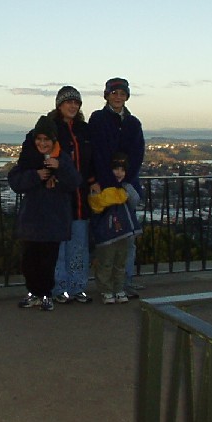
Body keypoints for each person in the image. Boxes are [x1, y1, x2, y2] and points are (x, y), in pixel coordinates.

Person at [19, 86, 94, 304]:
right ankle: (59, 288)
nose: (72, 106)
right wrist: (45, 174)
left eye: (76, 103)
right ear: (59, 105)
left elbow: (92, 159)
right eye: (68, 102)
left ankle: (77, 287)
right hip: (57, 198)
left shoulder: (84, 130)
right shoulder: (51, 128)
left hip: (80, 196)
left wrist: (93, 180)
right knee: (58, 248)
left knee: (79, 245)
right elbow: (31, 152)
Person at [8, 115, 82, 311]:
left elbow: (75, 182)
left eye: (46, 140)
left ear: (53, 141)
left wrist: (61, 167)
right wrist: (35, 176)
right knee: (29, 261)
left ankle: (46, 294)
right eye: (39, 139)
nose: (42, 143)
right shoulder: (29, 158)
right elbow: (15, 182)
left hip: (54, 219)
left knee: (48, 261)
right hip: (32, 219)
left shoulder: (62, 158)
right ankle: (33, 293)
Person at [88, 77, 145, 297]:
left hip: (126, 186)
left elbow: (137, 155)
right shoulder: (98, 119)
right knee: (105, 238)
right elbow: (96, 153)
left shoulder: (133, 123)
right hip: (104, 186)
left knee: (127, 239)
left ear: (127, 96)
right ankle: (107, 287)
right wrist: (103, 180)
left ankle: (123, 283)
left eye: (122, 93)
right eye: (114, 93)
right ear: (107, 95)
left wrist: (125, 180)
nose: (118, 97)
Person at [88, 152, 141, 303]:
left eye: (122, 170)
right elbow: (97, 205)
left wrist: (125, 189)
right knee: (106, 262)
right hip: (107, 233)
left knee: (120, 262)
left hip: (123, 232)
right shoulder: (102, 186)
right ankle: (106, 290)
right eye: (116, 169)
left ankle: (119, 288)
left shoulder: (126, 187)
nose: (119, 173)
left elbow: (135, 201)